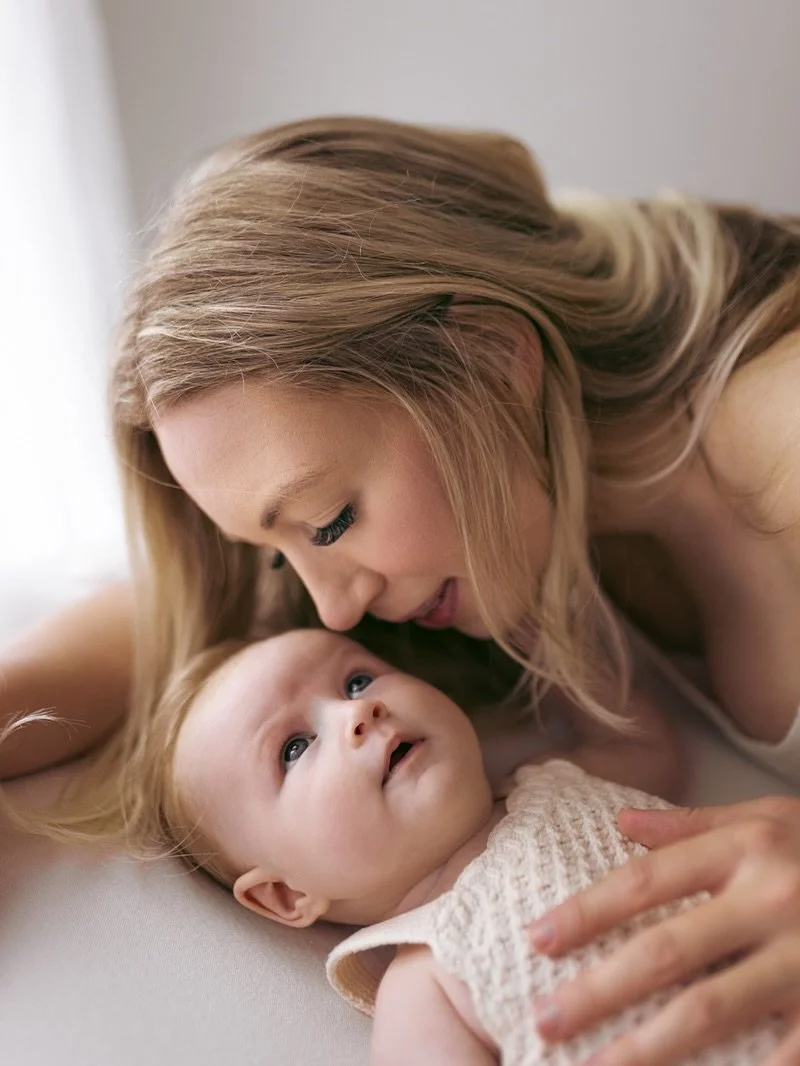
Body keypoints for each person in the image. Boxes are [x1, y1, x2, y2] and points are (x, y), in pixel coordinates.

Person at [2, 115, 800, 1062]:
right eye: (277, 551)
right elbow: (174, 628)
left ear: (492, 361)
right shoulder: (527, 442)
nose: (334, 609)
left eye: (332, 522)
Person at [5, 627, 773, 1065]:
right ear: (286, 895)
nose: (360, 712)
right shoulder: (422, 979)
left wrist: (544, 630)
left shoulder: (557, 781)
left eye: (357, 677)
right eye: (295, 748)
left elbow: (645, 747)